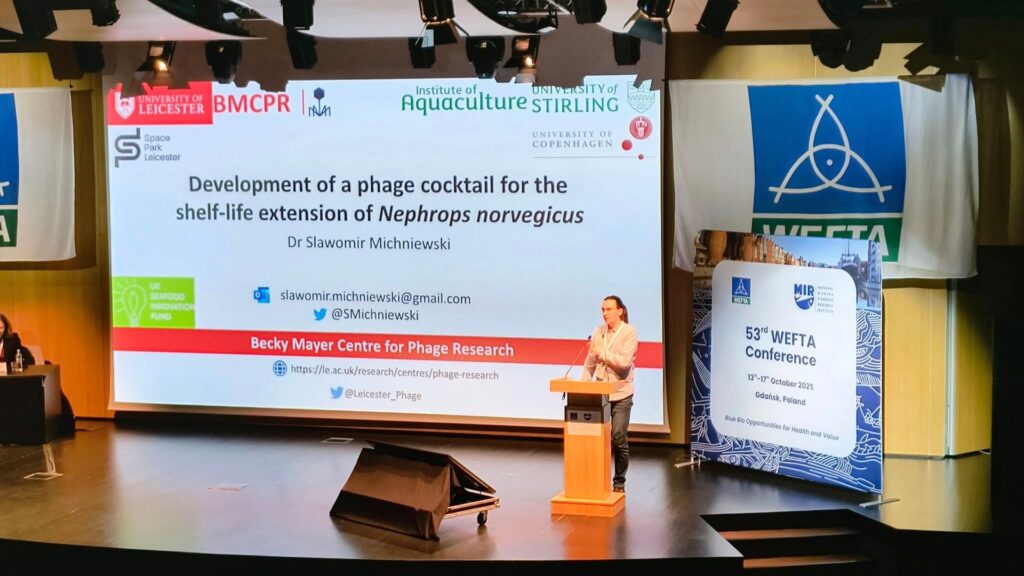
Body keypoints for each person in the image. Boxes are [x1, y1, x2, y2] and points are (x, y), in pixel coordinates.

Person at [581, 295, 638, 493]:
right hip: (600, 394)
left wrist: (600, 353)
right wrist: (583, 386)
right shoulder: (599, 331)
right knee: (597, 439)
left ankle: (619, 482)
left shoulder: (629, 332)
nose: (605, 313)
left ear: (619, 311)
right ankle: (597, 481)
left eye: (608, 309)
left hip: (621, 394)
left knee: (618, 438)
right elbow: (590, 362)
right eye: (602, 310)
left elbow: (623, 363)